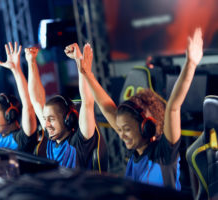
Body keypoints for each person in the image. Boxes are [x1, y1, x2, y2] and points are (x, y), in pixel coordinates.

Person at [77, 28, 203, 190]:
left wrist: (190, 64)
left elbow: (173, 107)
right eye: (120, 129)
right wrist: (88, 74)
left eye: (127, 129)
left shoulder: (163, 153)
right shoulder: (135, 153)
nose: (121, 134)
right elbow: (108, 108)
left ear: (146, 126)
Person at [26, 43, 107, 171]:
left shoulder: (79, 142)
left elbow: (87, 102)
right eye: (45, 119)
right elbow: (36, 100)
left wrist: (79, 60)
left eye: (51, 119)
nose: (46, 124)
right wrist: (31, 62)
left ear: (68, 119)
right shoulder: (51, 138)